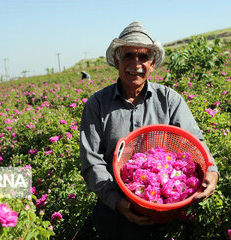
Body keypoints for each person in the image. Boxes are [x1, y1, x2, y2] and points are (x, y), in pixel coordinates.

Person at [80, 21, 219, 240]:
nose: (136, 64)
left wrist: (211, 170)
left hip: (167, 213)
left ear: (152, 63)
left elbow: (194, 142)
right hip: (116, 217)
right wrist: (117, 202)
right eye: (128, 55)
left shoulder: (169, 100)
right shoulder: (97, 105)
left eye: (143, 57)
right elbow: (91, 162)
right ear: (117, 60)